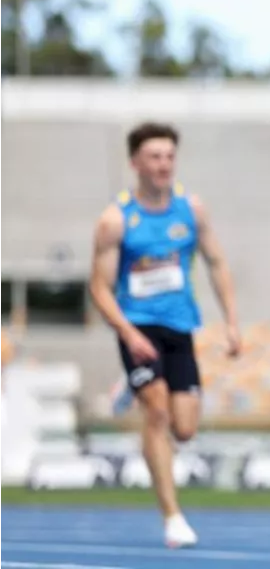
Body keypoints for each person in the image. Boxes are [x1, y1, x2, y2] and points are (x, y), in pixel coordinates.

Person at [88, 121, 242, 548]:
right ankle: (173, 517)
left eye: (170, 156)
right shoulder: (116, 219)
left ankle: (129, 388)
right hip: (136, 326)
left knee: (186, 428)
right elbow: (98, 287)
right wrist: (126, 332)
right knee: (155, 412)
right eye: (155, 157)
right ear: (135, 162)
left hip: (179, 326)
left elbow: (216, 263)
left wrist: (231, 322)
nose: (163, 165)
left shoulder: (191, 210)